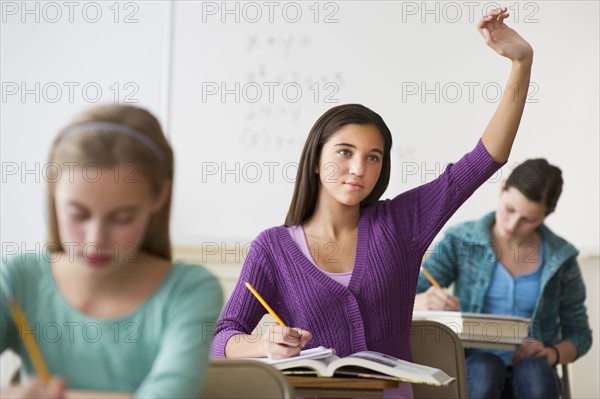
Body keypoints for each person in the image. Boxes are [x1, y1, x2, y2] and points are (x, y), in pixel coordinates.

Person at [211, 7, 533, 398]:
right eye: (345, 152)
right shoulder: (272, 248)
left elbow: (486, 159)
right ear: (316, 160)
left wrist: (520, 63)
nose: (358, 168)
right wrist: (263, 345)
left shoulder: (401, 223)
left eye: (373, 157)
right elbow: (223, 337)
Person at [0, 104, 223, 398]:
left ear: (160, 196)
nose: (95, 240)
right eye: (78, 214)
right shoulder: (16, 279)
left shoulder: (190, 290)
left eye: (122, 218)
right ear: (53, 190)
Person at [414, 158, 592, 399]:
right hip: (474, 367)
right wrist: (423, 301)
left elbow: (579, 334)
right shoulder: (459, 241)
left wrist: (552, 354)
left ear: (546, 216)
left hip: (532, 371)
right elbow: (405, 296)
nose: (512, 224)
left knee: (536, 375)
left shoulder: (562, 259)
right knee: (484, 370)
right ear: (502, 188)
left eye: (528, 219)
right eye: (510, 209)